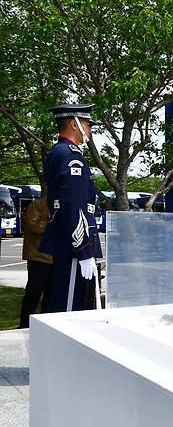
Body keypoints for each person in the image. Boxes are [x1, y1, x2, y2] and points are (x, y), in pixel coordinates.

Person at [39, 103, 103, 312]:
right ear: (75, 124)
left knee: (63, 299)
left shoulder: (60, 152)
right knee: (67, 307)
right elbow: (73, 206)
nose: (90, 129)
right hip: (73, 245)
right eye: (87, 124)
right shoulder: (70, 156)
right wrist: (83, 250)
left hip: (67, 241)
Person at [18, 197, 53, 328]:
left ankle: (45, 324)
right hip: (38, 258)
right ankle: (24, 324)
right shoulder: (38, 204)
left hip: (54, 258)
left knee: (50, 295)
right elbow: (33, 225)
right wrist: (53, 223)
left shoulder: (59, 205)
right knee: (33, 294)